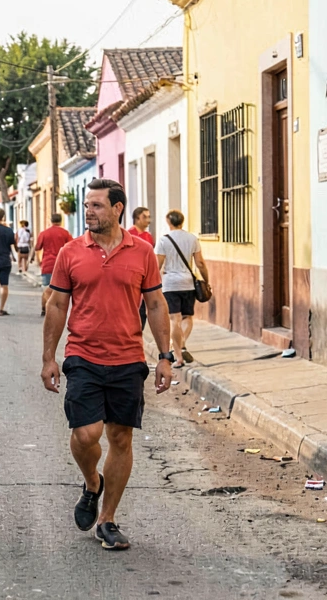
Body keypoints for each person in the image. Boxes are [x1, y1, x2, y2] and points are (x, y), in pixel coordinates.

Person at [41, 179, 174, 551]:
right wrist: (49, 357)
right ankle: (92, 483)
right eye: (87, 206)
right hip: (83, 355)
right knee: (86, 434)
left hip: (128, 358)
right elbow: (57, 305)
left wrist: (165, 356)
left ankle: (108, 519)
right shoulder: (70, 252)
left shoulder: (142, 252)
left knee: (120, 438)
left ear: (117, 208)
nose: (89, 212)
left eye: (97, 206)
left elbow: (156, 304)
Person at [154, 210, 212, 368]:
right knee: (187, 318)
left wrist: (154, 285)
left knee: (174, 319)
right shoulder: (192, 238)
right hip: (188, 283)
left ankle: (178, 356)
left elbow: (157, 265)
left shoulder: (163, 240)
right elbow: (200, 263)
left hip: (170, 284)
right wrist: (206, 280)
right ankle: (183, 343)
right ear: (182, 221)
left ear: (168, 222)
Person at [34, 213, 73, 317]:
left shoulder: (44, 233)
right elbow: (72, 248)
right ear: (61, 221)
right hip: (62, 266)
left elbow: (37, 248)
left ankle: (44, 308)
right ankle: (54, 309)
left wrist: (38, 260)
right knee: (59, 291)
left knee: (46, 289)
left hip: (47, 264)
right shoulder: (65, 233)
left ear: (50, 221)